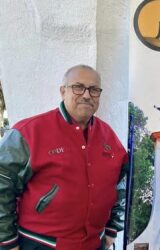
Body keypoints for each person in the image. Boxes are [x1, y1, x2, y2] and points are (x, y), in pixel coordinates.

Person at [0, 65, 128, 250]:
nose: (86, 95)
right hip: (39, 244)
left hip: (94, 243)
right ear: (62, 91)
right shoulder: (28, 132)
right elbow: (3, 185)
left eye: (94, 90)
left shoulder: (110, 137)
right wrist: (6, 243)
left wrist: (111, 230)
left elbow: (119, 186)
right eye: (78, 87)